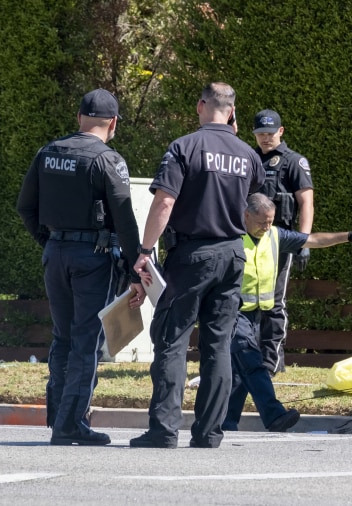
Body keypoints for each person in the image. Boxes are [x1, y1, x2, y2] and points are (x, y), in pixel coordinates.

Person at [129, 82, 264, 449]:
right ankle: (209, 433)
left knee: (172, 340)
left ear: (201, 105)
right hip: (233, 254)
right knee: (218, 345)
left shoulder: (184, 146)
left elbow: (164, 204)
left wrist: (145, 250)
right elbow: (252, 197)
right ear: (232, 111)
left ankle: (164, 430)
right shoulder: (247, 154)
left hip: (192, 256)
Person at [16, 88, 147, 446]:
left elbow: (25, 207)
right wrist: (137, 270)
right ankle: (71, 423)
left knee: (62, 337)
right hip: (93, 258)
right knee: (86, 342)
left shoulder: (48, 153)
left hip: (55, 254)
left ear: (78, 118)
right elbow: (125, 219)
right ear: (114, 123)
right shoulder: (108, 160)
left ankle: (59, 415)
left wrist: (51, 243)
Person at [222, 193, 352, 432]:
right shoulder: (230, 238)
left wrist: (351, 236)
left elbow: (314, 240)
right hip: (232, 313)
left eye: (271, 221)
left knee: (241, 371)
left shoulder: (275, 235)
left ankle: (225, 422)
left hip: (256, 316)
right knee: (252, 362)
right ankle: (274, 415)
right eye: (262, 222)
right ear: (246, 216)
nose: (267, 227)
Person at [252, 109, 314, 376]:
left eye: (270, 133)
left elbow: (306, 203)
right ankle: (249, 358)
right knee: (247, 301)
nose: (265, 139)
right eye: (260, 134)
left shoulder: (293, 162)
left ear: (281, 131)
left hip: (280, 241)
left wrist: (304, 243)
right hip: (249, 241)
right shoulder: (249, 159)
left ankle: (272, 360)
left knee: (275, 302)